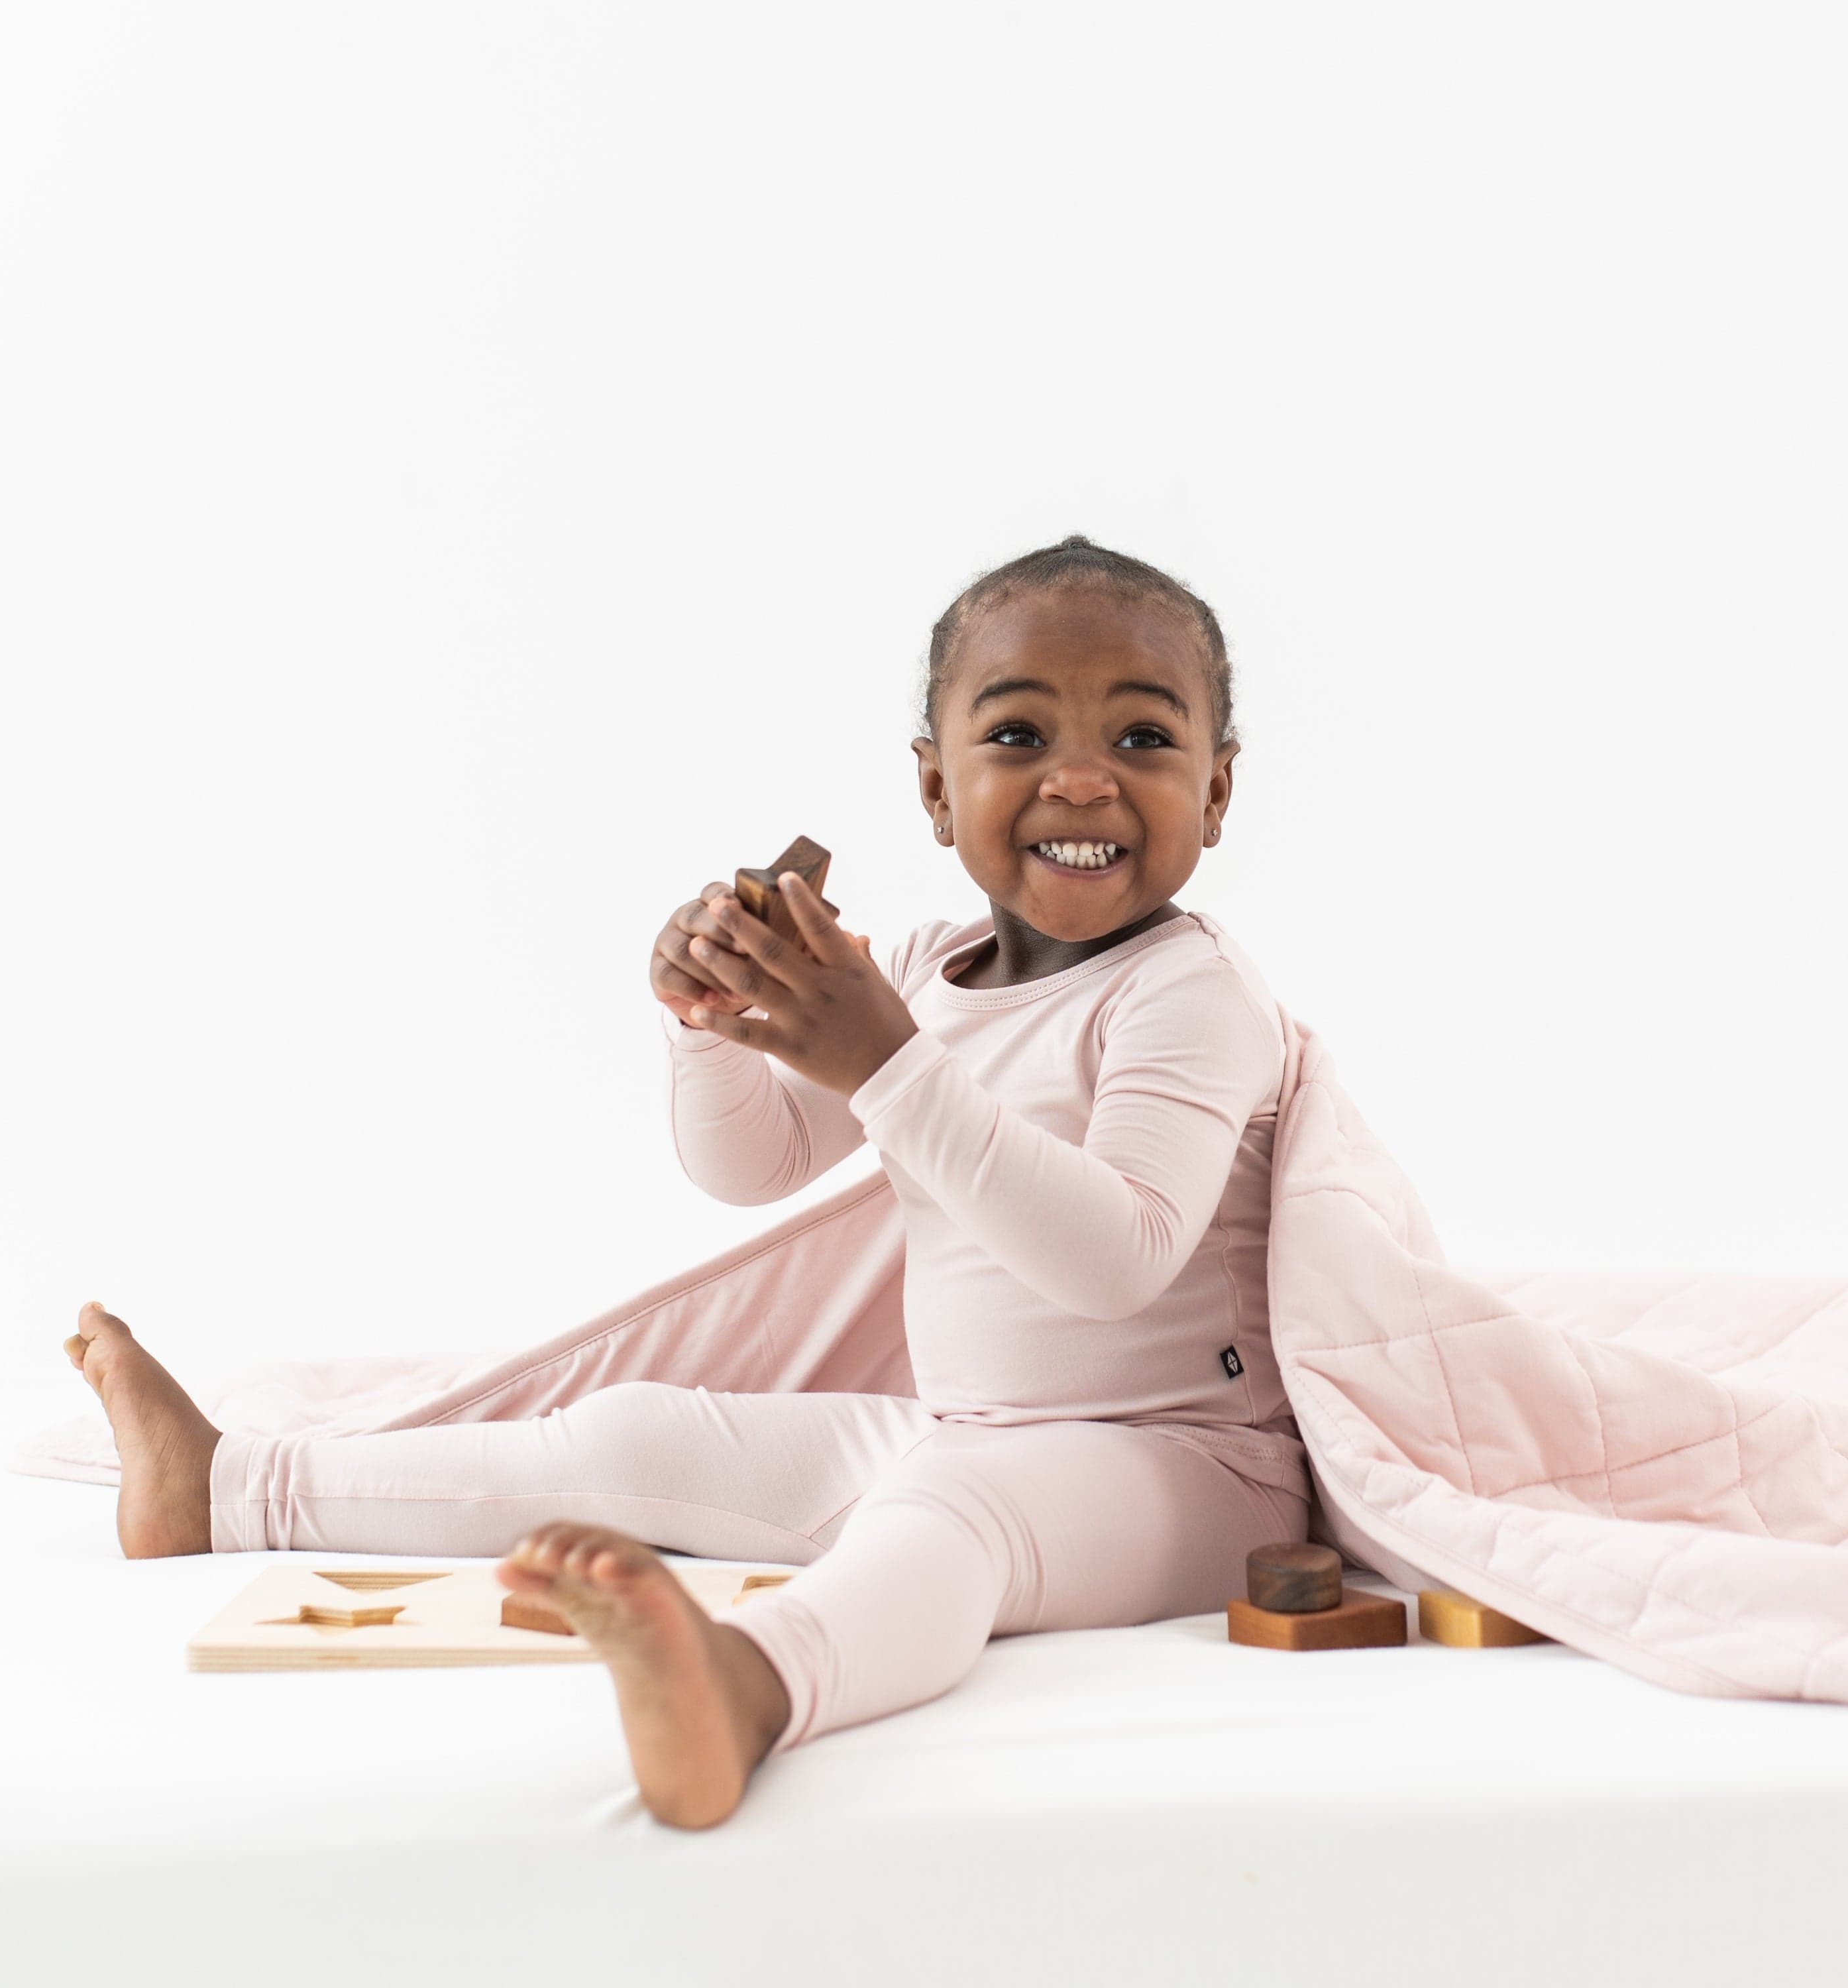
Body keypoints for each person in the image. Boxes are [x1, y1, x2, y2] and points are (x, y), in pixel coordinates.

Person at [64, 534, 1313, 1828]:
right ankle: (227, 1487)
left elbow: (1116, 1259)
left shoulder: (1189, 992)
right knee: (639, 1432)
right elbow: (755, 1164)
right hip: (965, 1427)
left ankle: (754, 1689)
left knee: (955, 1517)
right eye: (1015, 737)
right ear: (935, 792)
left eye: (1145, 742)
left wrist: (880, 1057)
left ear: (1217, 794)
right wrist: (710, 1022)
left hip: (1188, 1468)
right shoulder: (937, 974)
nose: (1080, 780)